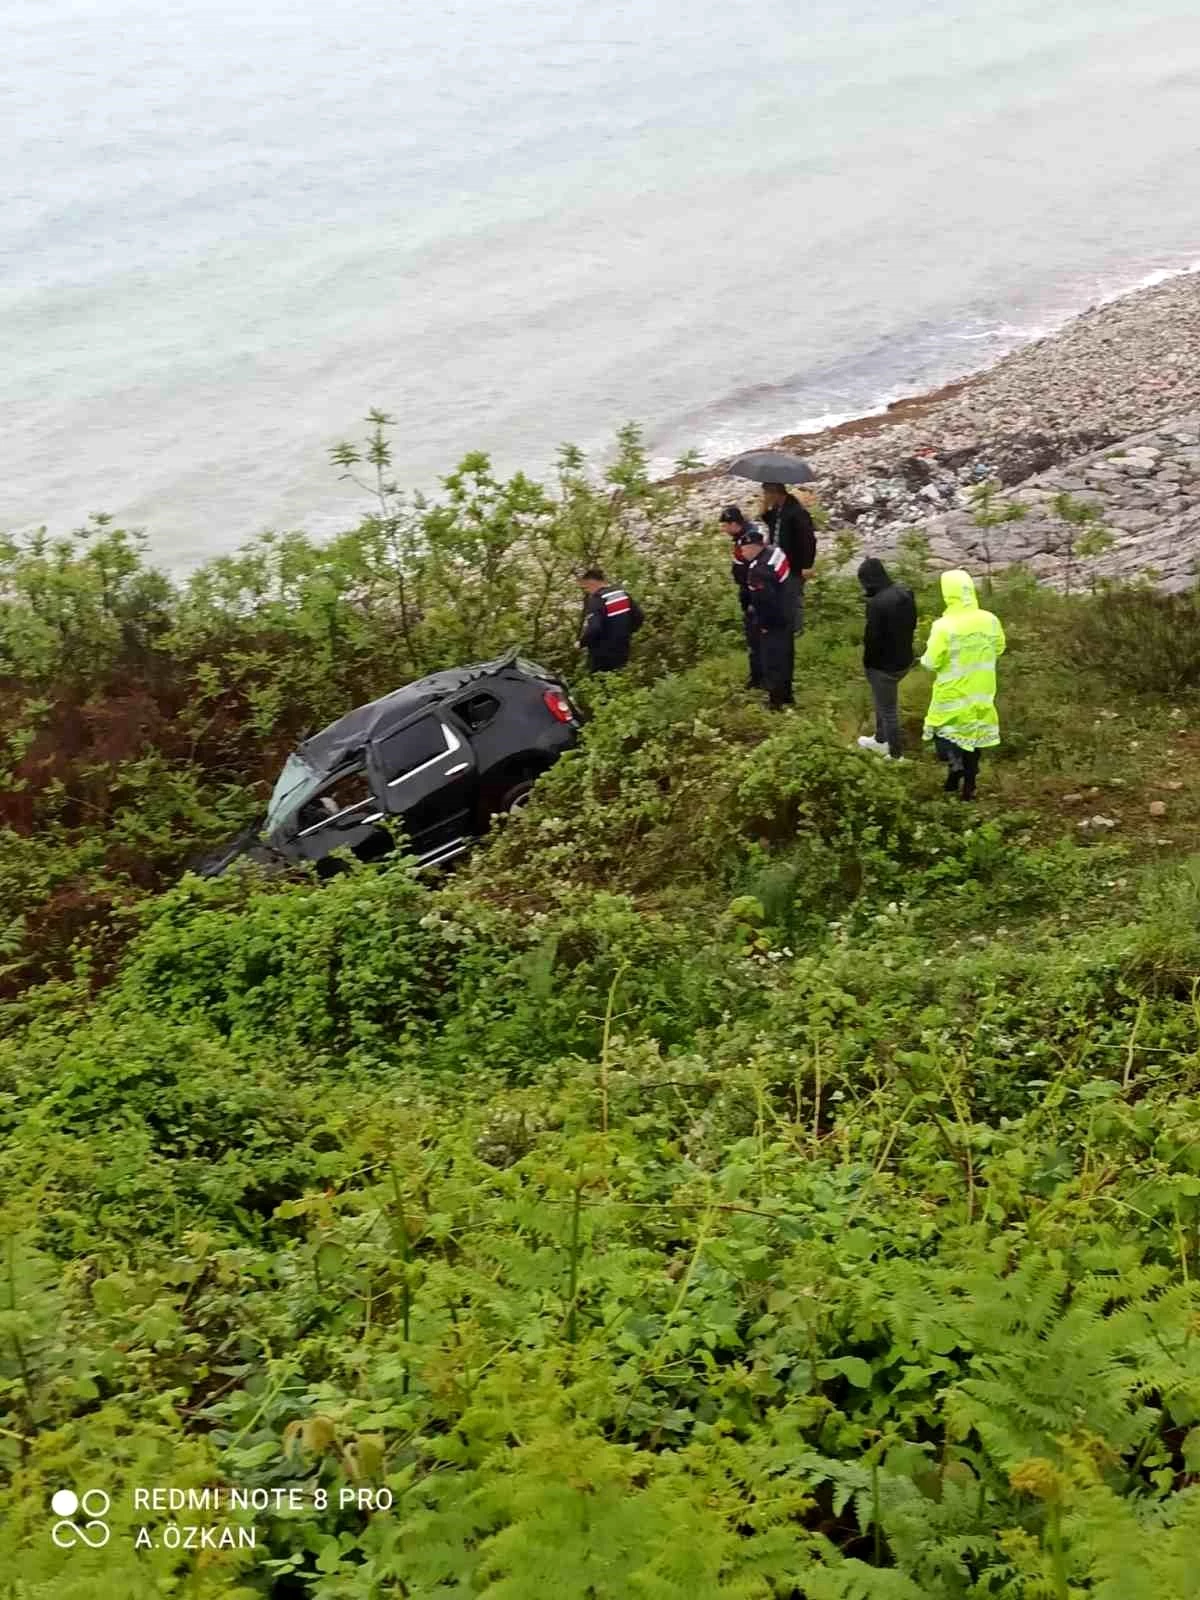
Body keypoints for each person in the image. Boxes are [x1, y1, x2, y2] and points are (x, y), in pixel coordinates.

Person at [920, 569, 1006, 800]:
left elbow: (931, 661)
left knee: (941, 731)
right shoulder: (990, 620)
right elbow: (999, 648)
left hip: (952, 692)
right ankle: (969, 788)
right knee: (974, 738)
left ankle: (953, 762)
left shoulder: (944, 625)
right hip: (982, 691)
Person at [855, 558, 917, 761]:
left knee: (888, 709)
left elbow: (872, 638)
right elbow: (912, 624)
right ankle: (880, 740)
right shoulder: (905, 593)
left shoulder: (877, 604)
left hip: (883, 666)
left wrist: (868, 664)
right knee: (882, 701)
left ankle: (896, 755)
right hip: (904, 659)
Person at [738, 525, 795, 710]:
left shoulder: (757, 571)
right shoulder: (776, 553)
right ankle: (786, 695)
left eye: (744, 549)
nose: (742, 553)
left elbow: (765, 601)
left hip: (773, 621)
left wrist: (763, 624)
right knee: (786, 657)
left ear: (755, 547)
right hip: (788, 613)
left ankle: (776, 701)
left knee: (773, 661)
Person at [761, 482, 817, 635]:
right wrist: (765, 504)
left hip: (794, 562)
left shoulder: (796, 512)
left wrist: (807, 565)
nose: (765, 497)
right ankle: (784, 627)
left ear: (775, 493)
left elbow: (808, 540)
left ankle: (796, 630)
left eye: (766, 494)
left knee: (794, 595)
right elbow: (767, 518)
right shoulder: (778, 509)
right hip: (778, 561)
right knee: (781, 595)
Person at [719, 505, 764, 688]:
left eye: (725, 526)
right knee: (754, 635)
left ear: (734, 524)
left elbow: (753, 569)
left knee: (756, 636)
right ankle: (759, 675)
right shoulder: (745, 535)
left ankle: (759, 678)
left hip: (753, 592)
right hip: (749, 590)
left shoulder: (748, 540)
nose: (724, 530)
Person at [577, 568, 644, 673]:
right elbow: (639, 617)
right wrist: (626, 632)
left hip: (601, 654)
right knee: (618, 679)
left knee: (599, 683)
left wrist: (581, 643)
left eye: (586, 588)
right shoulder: (622, 594)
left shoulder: (597, 599)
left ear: (592, 583)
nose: (587, 591)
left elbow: (594, 628)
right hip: (622, 649)